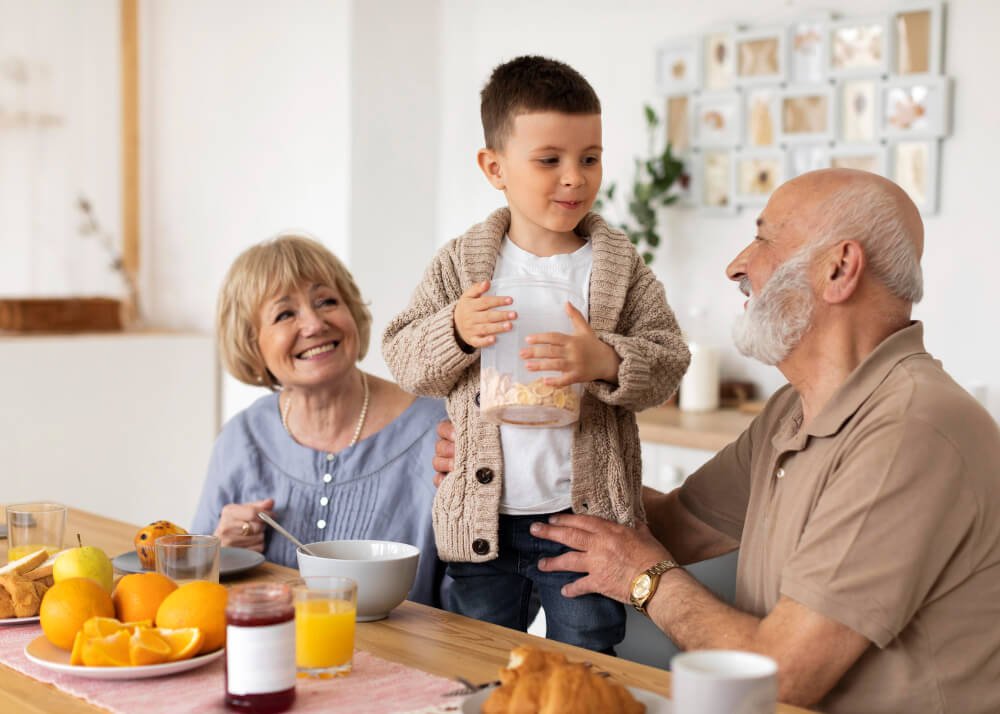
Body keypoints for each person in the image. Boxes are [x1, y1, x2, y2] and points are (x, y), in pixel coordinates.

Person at [506, 169, 1000, 713]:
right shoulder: (796, 407)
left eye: (764, 238)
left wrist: (644, 579)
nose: (737, 265)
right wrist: (520, 465)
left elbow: (782, 677)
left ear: (839, 269)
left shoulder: (912, 429)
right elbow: (676, 527)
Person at [382, 55, 690, 654]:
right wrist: (456, 329)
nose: (574, 177)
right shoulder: (461, 265)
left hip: (585, 525)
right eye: (549, 160)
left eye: (590, 158)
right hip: (483, 526)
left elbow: (669, 359)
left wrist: (605, 360)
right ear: (494, 167)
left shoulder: (619, 269)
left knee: (584, 663)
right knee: (476, 662)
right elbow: (402, 356)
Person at [192, 234, 449, 609]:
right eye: (285, 314)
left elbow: (487, 610)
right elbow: (191, 593)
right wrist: (221, 557)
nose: (313, 324)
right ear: (252, 343)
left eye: (327, 301)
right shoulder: (241, 437)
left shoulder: (440, 431)